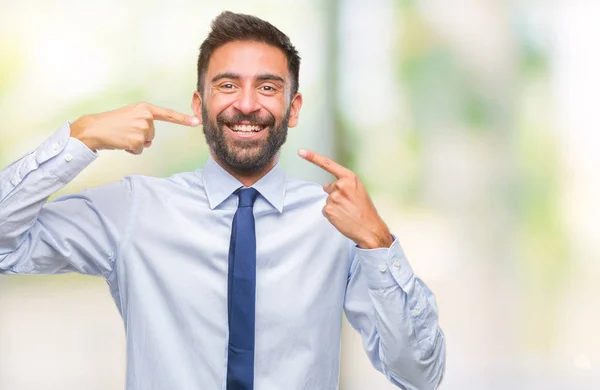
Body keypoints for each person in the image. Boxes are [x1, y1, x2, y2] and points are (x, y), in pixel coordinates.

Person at [0, 10, 445, 390]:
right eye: (228, 85)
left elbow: (420, 375)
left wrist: (378, 242)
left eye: (268, 87)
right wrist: (82, 137)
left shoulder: (336, 223)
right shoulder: (136, 209)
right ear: (200, 103)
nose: (247, 104)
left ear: (293, 108)